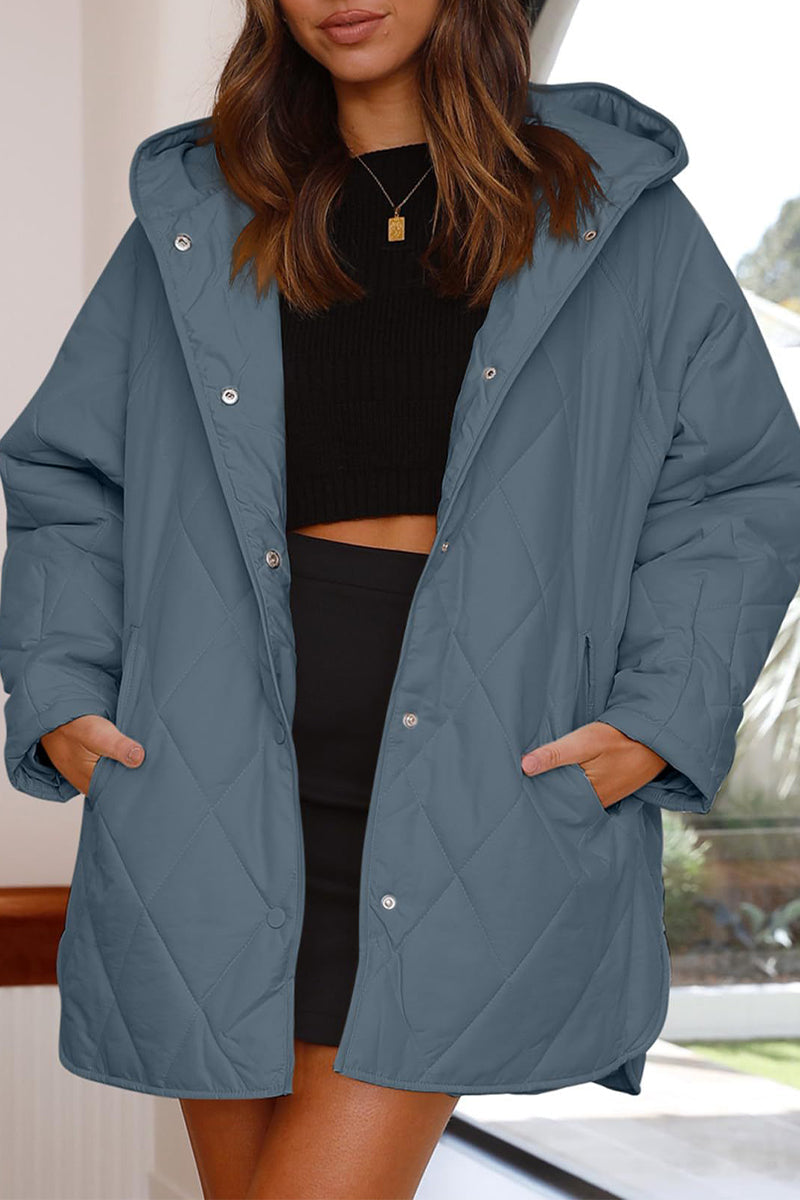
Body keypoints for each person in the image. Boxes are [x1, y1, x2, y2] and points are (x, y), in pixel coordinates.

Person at [3, 2, 800, 1198]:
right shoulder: (203, 211)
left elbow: (735, 489)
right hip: (216, 785)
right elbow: (70, 476)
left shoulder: (607, 209)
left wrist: (657, 716)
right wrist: (60, 687)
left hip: (478, 783)